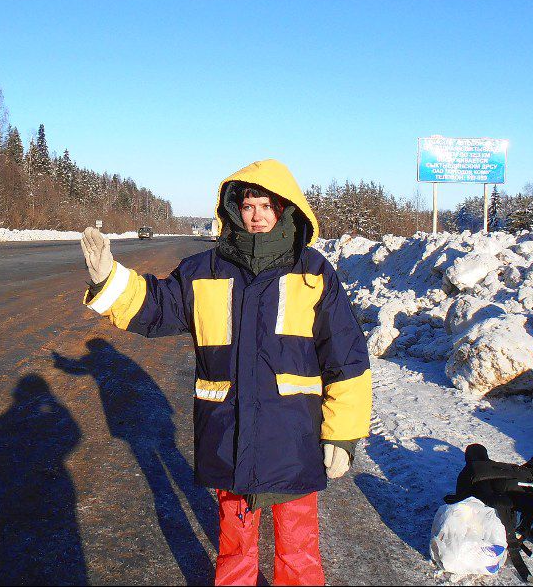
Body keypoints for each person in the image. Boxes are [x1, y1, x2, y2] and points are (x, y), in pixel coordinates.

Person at [79, 159, 372, 586]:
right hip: (228, 434)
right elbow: (157, 306)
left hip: (293, 436)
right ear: (234, 211)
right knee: (235, 546)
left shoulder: (313, 273)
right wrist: (110, 280)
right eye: (248, 206)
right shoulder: (204, 270)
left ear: (286, 210)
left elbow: (346, 357)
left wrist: (342, 434)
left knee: (299, 549)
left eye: (266, 207)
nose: (256, 216)